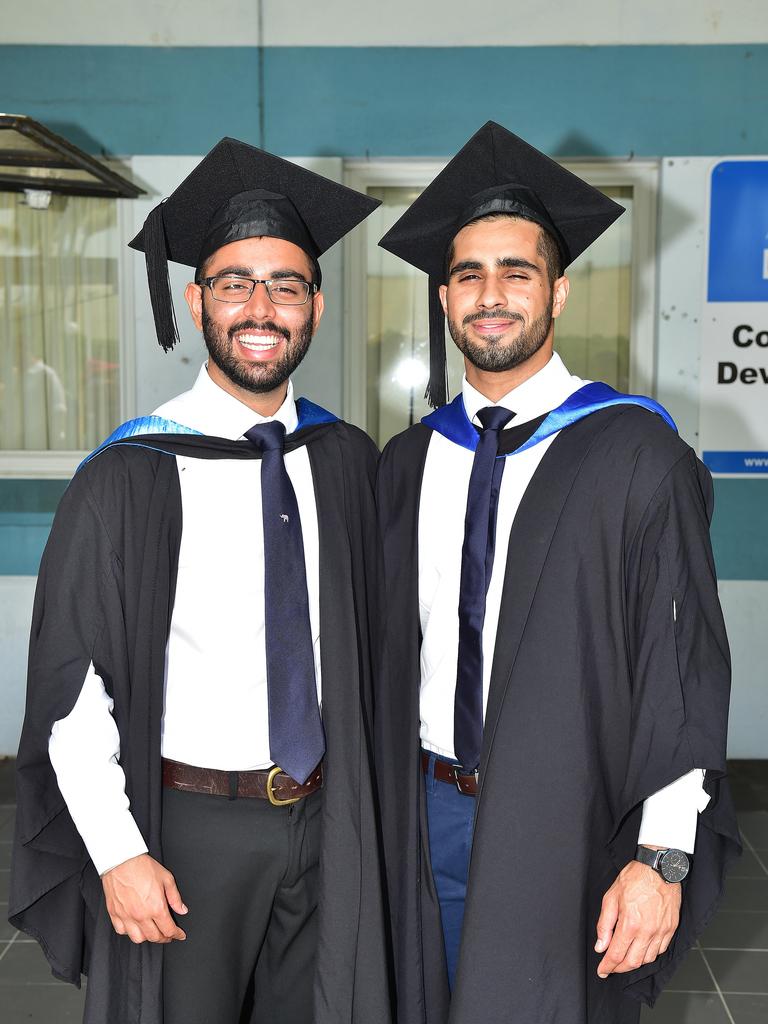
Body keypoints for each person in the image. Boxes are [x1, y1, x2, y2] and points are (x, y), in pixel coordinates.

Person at [10, 138, 392, 1024]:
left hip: (330, 820)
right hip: (188, 829)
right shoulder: (128, 475)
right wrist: (117, 853)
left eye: (286, 285)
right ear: (196, 299)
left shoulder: (345, 461)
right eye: (234, 283)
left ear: (316, 307)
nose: (261, 307)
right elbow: (75, 693)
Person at [374, 121, 740, 1024]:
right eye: (468, 274)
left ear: (559, 292)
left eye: (516, 271)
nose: (490, 294)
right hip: (419, 813)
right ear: (445, 295)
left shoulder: (633, 452)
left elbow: (679, 664)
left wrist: (662, 858)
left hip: (571, 817)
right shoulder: (407, 460)